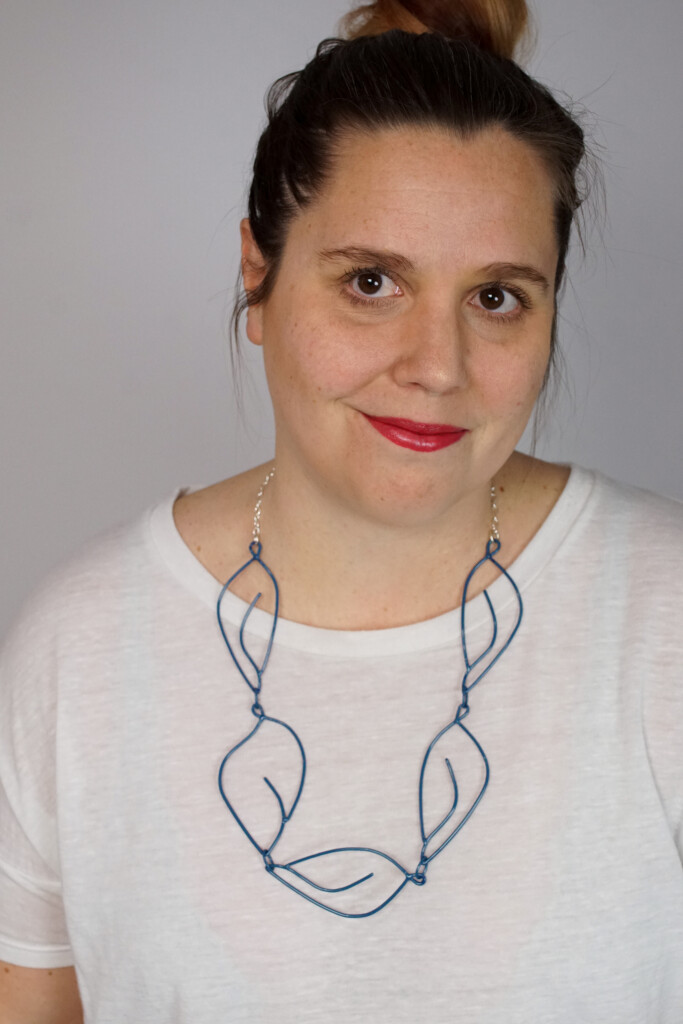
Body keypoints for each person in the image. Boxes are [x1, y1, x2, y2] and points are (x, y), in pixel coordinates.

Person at [1, 0, 681, 1021]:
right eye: (371, 281)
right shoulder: (81, 644)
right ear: (257, 272)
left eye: (496, 296)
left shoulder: (662, 617)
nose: (437, 367)